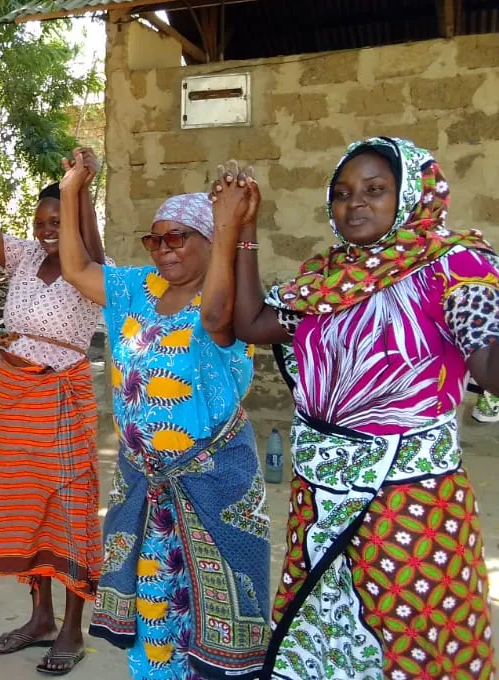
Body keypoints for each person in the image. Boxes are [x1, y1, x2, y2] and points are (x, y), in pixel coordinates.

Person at [208, 136, 499, 679]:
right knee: (325, 637)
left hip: (410, 507)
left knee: (417, 639)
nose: (355, 203)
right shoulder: (326, 279)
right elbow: (247, 326)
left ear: (409, 194)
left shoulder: (454, 266)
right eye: (342, 193)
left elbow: (487, 362)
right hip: (319, 500)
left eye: (375, 189)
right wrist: (245, 229)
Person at [57, 151, 271, 679]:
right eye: (156, 239)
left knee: (212, 627)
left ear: (208, 240)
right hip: (145, 484)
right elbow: (76, 266)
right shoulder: (133, 290)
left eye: (179, 237)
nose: (165, 251)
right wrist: (70, 191)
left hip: (214, 486)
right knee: (153, 613)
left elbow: (219, 317)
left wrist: (231, 227)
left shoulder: (227, 303)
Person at [0, 138, 106, 675]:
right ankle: (40, 617)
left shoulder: (90, 264)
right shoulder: (22, 256)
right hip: (15, 398)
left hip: (63, 397)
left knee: (68, 508)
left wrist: (81, 190)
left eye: (58, 217)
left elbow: (85, 241)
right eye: (42, 218)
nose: (49, 228)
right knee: (25, 505)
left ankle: (73, 628)